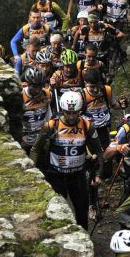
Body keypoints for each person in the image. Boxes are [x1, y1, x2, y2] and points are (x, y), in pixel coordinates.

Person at [31, 89, 103, 230]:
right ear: (62, 110)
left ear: (80, 111)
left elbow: (99, 152)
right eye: (68, 113)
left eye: (74, 113)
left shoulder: (87, 126)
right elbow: (35, 149)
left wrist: (99, 174)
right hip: (56, 176)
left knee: (82, 213)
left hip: (78, 176)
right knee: (56, 212)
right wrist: (32, 172)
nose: (71, 116)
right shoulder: (51, 126)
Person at [21, 65, 51, 153]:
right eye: (34, 87)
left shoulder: (46, 94)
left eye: (40, 87)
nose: (38, 90)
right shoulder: (20, 95)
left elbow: (49, 118)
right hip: (24, 141)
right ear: (28, 83)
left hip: (40, 141)